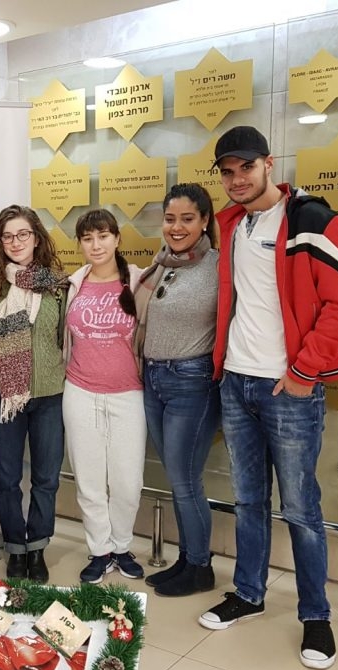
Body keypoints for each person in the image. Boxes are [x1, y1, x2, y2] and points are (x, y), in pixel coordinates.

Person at [198, 126, 338, 670]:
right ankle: (249, 593)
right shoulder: (232, 225)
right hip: (237, 382)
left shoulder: (313, 219)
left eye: (246, 167)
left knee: (301, 508)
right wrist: (224, 369)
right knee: (248, 501)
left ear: (269, 163)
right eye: (227, 172)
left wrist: (303, 371)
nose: (236, 179)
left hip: (289, 388)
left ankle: (315, 615)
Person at [0, 205, 68, 583]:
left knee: (46, 478)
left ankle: (38, 546)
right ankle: (16, 548)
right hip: (5, 396)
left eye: (23, 234)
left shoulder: (57, 286)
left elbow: (66, 339)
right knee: (8, 478)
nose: (15, 242)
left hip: (49, 395)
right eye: (8, 236)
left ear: (37, 238)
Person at [137, 184, 221, 597]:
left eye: (187, 219)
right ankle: (187, 559)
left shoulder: (219, 266)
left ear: (204, 221)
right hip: (154, 379)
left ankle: (201, 567)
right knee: (177, 477)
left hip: (191, 381)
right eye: (170, 219)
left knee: (186, 480)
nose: (177, 227)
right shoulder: (162, 264)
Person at [63, 209, 146, 584]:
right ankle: (100, 550)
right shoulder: (74, 284)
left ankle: (122, 546)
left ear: (117, 239)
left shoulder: (139, 281)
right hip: (80, 391)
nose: (95, 245)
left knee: (127, 482)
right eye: (87, 238)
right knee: (90, 480)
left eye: (103, 236)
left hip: (128, 395)